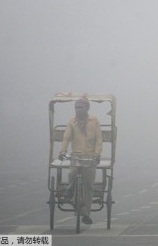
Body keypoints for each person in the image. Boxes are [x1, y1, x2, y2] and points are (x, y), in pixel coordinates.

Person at [58, 96, 102, 225]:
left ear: (87, 108)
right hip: (76, 156)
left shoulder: (94, 121)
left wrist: (97, 154)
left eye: (80, 107)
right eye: (76, 107)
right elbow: (66, 138)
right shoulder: (72, 122)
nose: (78, 110)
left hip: (90, 157)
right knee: (72, 174)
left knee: (88, 186)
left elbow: (99, 139)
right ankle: (70, 189)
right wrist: (62, 151)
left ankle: (86, 214)